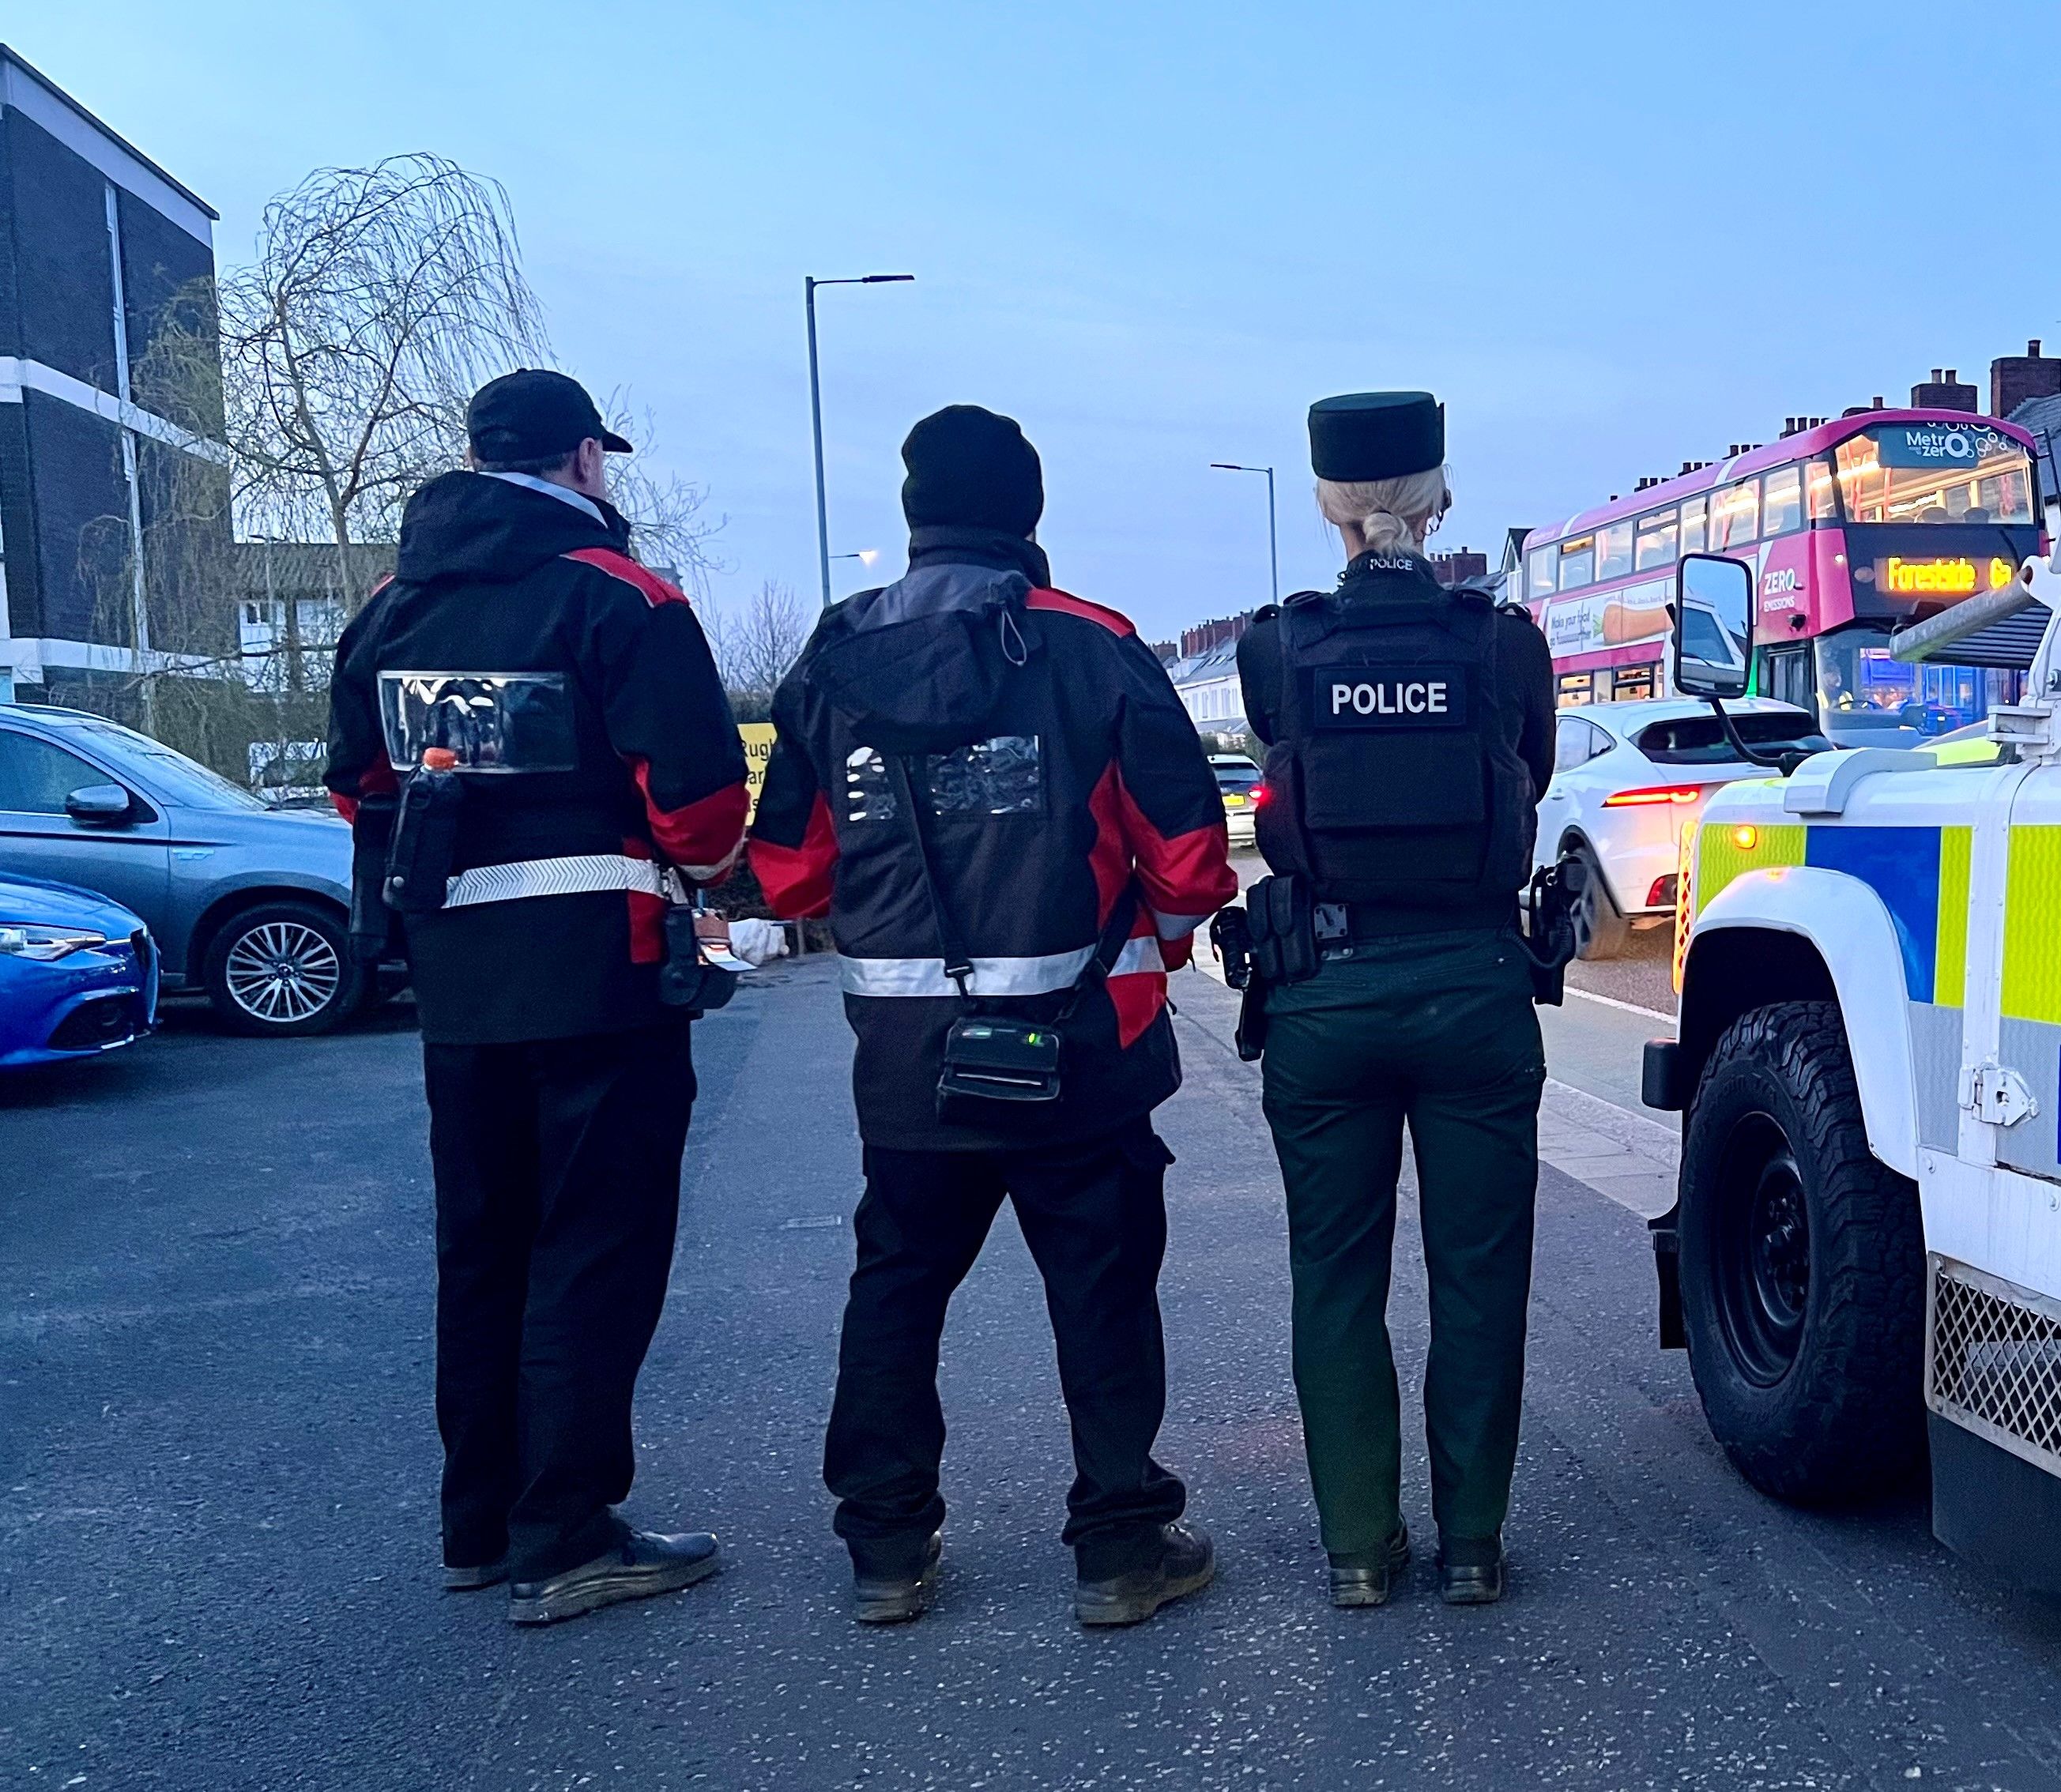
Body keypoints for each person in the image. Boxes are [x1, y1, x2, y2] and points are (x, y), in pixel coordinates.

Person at [739, 405, 1237, 1627]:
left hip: (909, 1062)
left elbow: (789, 875)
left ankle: (886, 1548)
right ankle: (1122, 1547)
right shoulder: (1092, 645)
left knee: (898, 1286)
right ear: (1030, 515)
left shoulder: (834, 656)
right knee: (1104, 1287)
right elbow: (1187, 858)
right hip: (1085, 1049)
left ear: (914, 520)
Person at [323, 369, 748, 1626]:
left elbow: (358, 786)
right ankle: (566, 1533)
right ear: (580, 461)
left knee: (484, 1244)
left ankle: (483, 1519)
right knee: (593, 1245)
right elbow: (705, 809)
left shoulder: (392, 610)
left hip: (455, 984)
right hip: (600, 975)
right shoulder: (620, 598)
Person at [1234, 390, 1558, 1606]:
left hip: (1323, 998)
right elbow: (1525, 775)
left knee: (1336, 1278)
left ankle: (1359, 1551)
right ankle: (1473, 1543)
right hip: (1474, 990)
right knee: (1480, 1275)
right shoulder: (1500, 642)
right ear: (1441, 499)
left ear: (1330, 508)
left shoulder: (1279, 647)